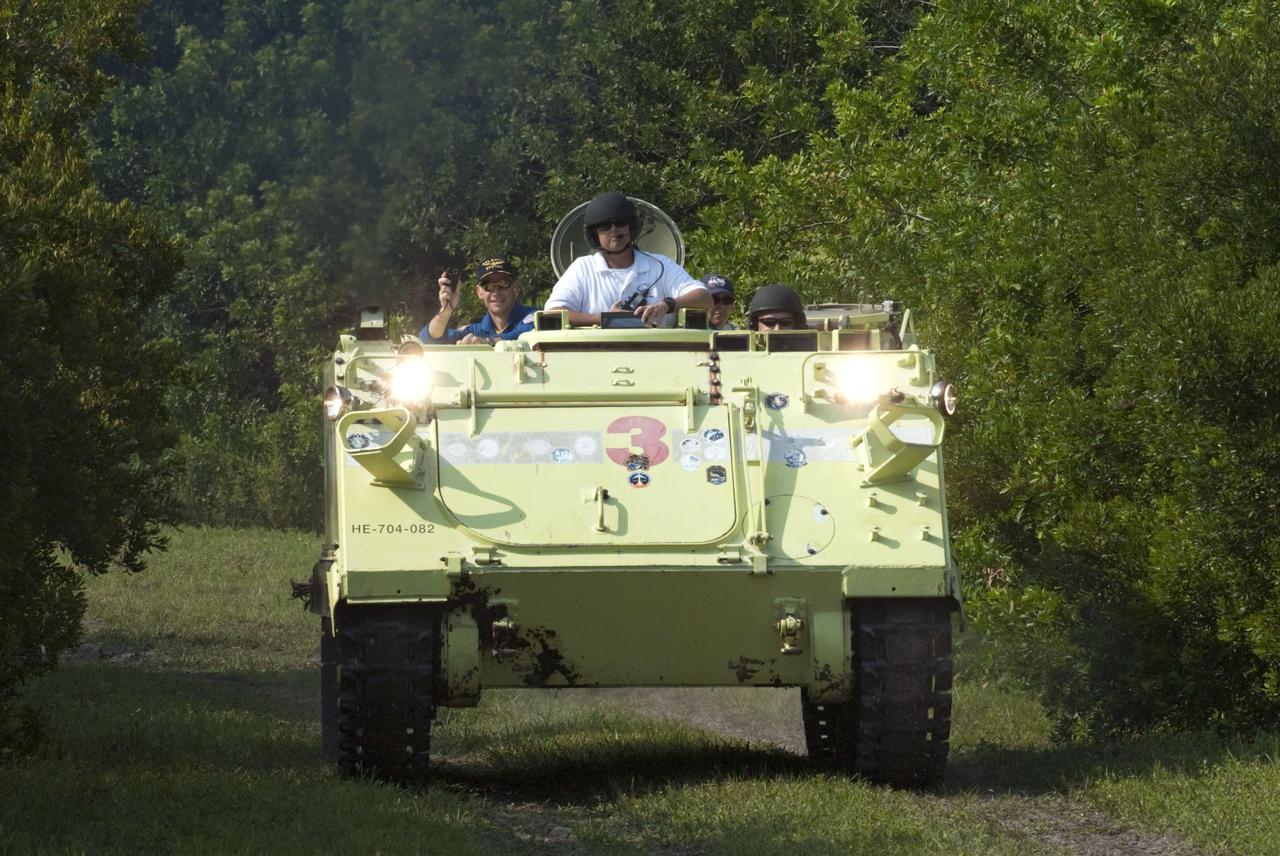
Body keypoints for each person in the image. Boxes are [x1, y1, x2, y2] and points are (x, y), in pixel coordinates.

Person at [544, 192, 712, 327]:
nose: (614, 230)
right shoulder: (583, 268)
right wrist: (603, 318)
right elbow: (553, 312)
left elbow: (705, 299)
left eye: (620, 223)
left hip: (657, 356)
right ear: (594, 234)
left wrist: (666, 305)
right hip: (597, 357)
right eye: (604, 226)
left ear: (631, 226)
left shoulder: (660, 265)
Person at [422, 256, 536, 344]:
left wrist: (487, 342)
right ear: (479, 292)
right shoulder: (474, 332)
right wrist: (446, 309)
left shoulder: (535, 317)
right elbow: (428, 339)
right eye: (488, 285)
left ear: (515, 288)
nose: (496, 292)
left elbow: (527, 336)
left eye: (503, 283)